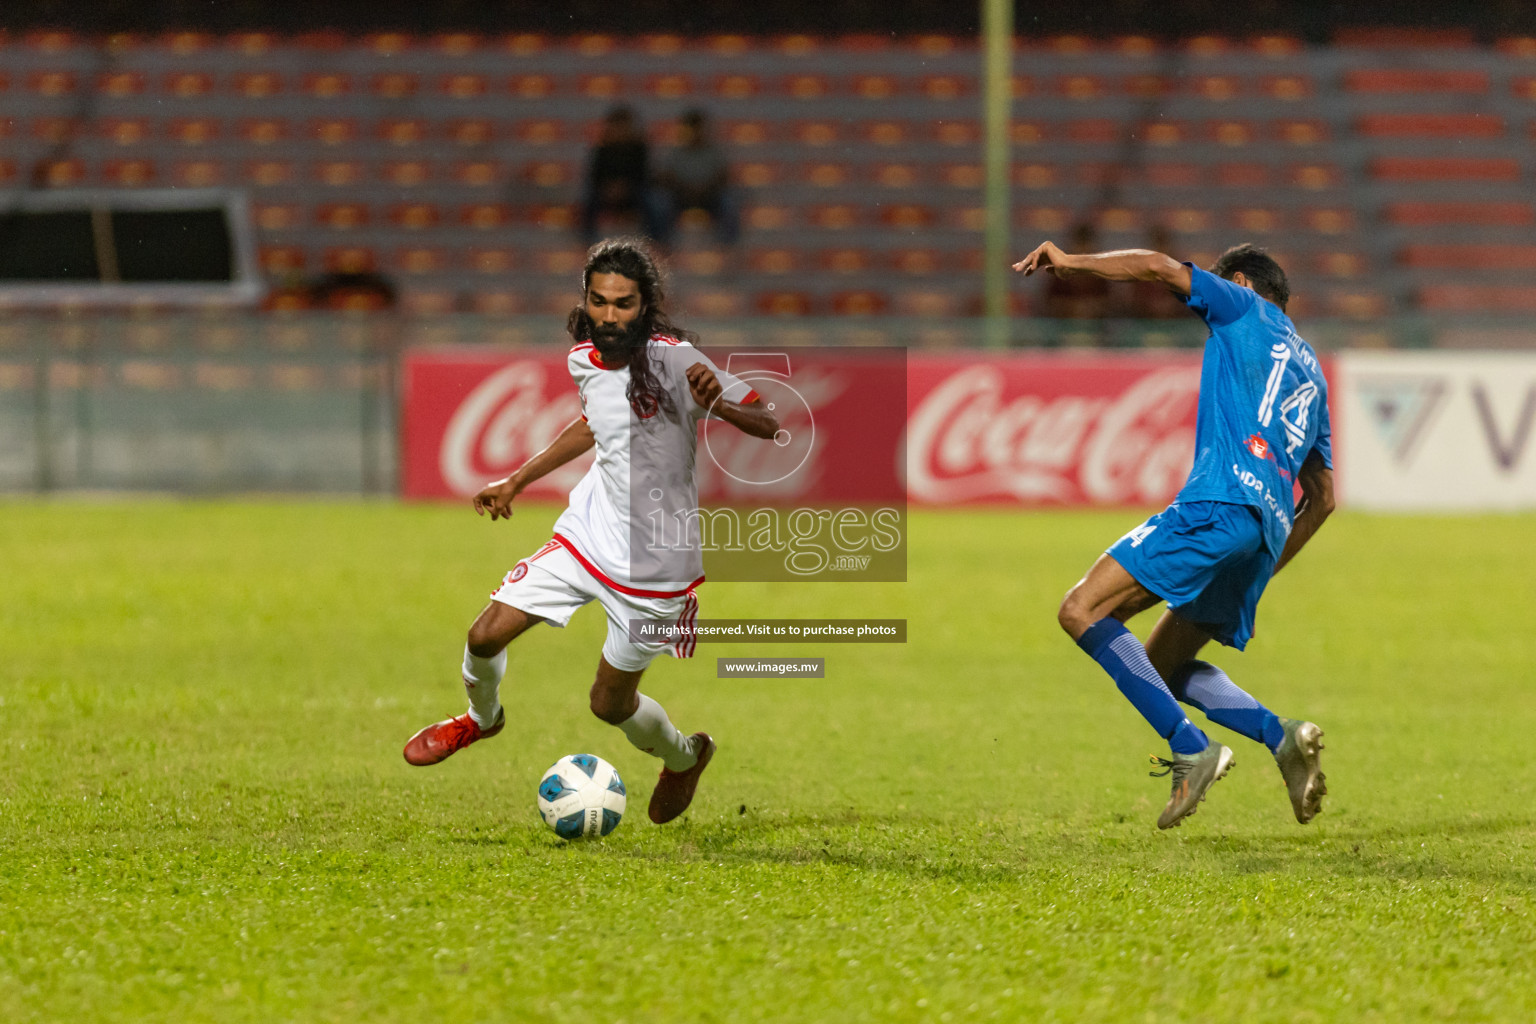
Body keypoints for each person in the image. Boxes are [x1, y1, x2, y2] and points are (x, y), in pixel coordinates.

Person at [403, 238, 779, 826]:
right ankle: (481, 719)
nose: (609, 315)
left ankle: (685, 756)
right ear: (586, 298)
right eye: (600, 301)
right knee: (483, 636)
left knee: (609, 705)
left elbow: (769, 419)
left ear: (645, 304)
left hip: (656, 567)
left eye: (623, 304)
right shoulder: (584, 357)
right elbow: (593, 423)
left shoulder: (676, 361)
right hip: (587, 535)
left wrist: (724, 408)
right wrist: (518, 480)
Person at [1013, 241, 1333, 830]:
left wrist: (1073, 263)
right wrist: (1262, 569)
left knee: (1082, 609)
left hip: (1218, 502)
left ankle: (1191, 747)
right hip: (1264, 532)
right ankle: (1280, 737)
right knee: (1160, 661)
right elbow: (1325, 497)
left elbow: (1160, 267)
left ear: (1238, 280)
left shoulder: (1241, 306)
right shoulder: (1313, 371)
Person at [654, 109, 739, 247]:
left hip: (710, 196)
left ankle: (729, 245)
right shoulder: (676, 153)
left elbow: (723, 176)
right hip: (681, 197)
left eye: (698, 128)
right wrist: (685, 188)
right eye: (692, 128)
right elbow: (666, 177)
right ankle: (662, 243)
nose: (695, 133)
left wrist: (706, 188)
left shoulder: (714, 152)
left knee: (729, 202)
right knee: (660, 202)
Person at [580, 106, 665, 244]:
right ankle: (586, 242)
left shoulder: (639, 148)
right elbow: (595, 175)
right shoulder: (602, 150)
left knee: (655, 204)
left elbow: (644, 175)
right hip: (606, 194)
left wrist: (625, 188)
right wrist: (609, 189)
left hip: (634, 193)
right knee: (589, 201)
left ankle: (657, 241)